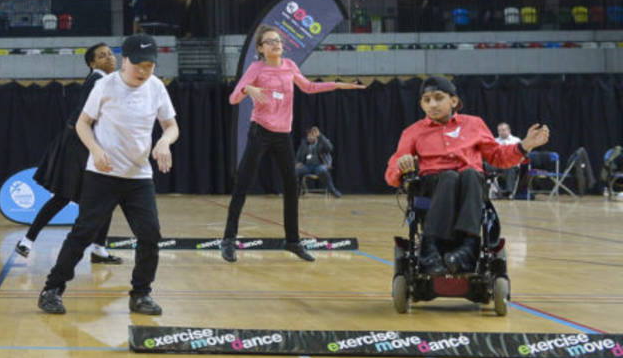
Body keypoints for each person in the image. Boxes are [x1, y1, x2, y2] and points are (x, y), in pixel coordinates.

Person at [37, 34, 179, 316]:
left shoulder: (156, 88)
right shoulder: (105, 85)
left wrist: (164, 141)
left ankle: (140, 294)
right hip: (102, 175)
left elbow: (171, 126)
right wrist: (95, 149)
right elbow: (82, 124)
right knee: (83, 233)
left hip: (139, 178)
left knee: (150, 235)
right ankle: (52, 289)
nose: (143, 71)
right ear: (124, 60)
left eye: (149, 65)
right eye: (138, 64)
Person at [219, 25, 365, 263]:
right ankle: (228, 240)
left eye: (278, 40)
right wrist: (247, 88)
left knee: (291, 186)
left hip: (282, 135)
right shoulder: (256, 68)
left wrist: (336, 85)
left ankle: (293, 241)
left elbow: (308, 87)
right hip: (260, 132)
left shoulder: (290, 66)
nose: (276, 44)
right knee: (243, 184)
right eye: (270, 41)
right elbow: (233, 97)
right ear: (261, 48)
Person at [386, 76, 549, 276]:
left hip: (470, 183)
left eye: (438, 98)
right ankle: (430, 249)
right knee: (449, 177)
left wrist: (525, 146)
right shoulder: (413, 132)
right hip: (433, 185)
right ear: (421, 104)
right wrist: (401, 167)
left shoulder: (474, 124)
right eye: (427, 100)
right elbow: (392, 171)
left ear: (453, 101)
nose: (433, 104)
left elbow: (498, 156)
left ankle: (468, 250)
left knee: (471, 174)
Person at [17, 42, 121, 264]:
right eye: (102, 56)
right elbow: (87, 117)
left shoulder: (104, 80)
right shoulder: (99, 79)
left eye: (111, 54)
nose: (110, 57)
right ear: (92, 63)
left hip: (83, 143)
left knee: (89, 197)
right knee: (76, 196)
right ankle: (30, 240)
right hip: (79, 144)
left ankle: (95, 248)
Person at [294, 126, 342, 198]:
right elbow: (298, 156)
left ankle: (332, 190)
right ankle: (298, 191)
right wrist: (297, 163)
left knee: (322, 170)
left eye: (312, 135)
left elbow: (330, 148)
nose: (310, 137)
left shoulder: (322, 142)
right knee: (296, 171)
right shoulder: (304, 144)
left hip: (320, 165)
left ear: (316, 136)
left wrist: (321, 136)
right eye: (308, 136)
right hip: (307, 166)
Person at [486, 122, 525, 199]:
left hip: (511, 164)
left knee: (509, 167)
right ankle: (484, 190)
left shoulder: (516, 140)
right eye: (499, 130)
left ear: (509, 130)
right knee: (483, 165)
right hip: (497, 164)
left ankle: (509, 192)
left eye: (503, 130)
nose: (501, 132)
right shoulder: (494, 141)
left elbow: (522, 155)